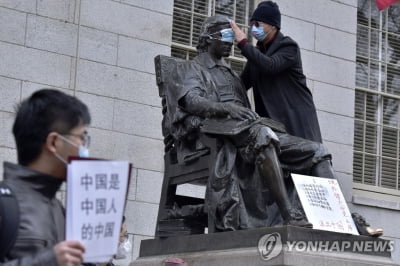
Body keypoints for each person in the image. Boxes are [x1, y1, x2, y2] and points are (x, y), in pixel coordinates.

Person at [163, 14, 340, 232]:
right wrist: (226, 108)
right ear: (207, 38)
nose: (230, 42)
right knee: (263, 136)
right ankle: (289, 215)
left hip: (248, 132)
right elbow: (192, 101)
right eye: (225, 36)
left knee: (317, 151)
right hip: (214, 136)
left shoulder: (233, 76)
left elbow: (265, 75)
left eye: (231, 36)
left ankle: (337, 222)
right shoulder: (189, 68)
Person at [0, 89, 90, 265]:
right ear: (54, 142)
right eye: (81, 138)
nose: (84, 148)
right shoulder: (5, 203)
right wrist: (48, 261)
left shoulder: (59, 210)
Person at [230, 1, 322, 143]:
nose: (253, 28)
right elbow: (241, 84)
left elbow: (270, 66)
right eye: (252, 23)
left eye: (258, 24)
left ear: (273, 25)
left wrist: (243, 43)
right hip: (271, 125)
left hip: (295, 122)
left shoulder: (288, 47)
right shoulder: (258, 54)